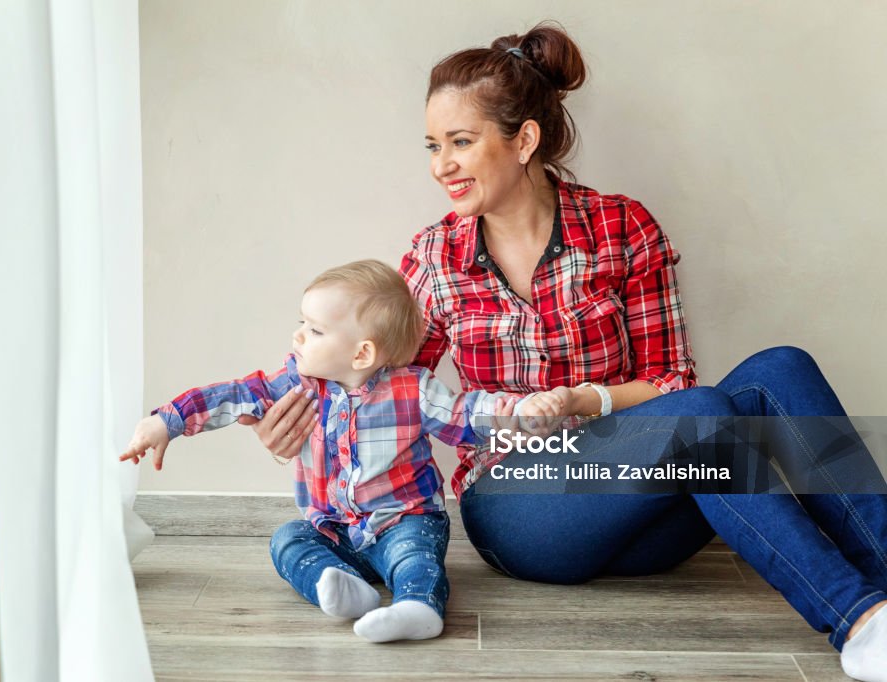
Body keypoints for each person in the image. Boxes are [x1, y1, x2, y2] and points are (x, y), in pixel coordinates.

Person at [240, 22, 887, 680]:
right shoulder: (436, 259)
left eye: (461, 142)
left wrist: (588, 400)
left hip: (641, 505)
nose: (442, 165)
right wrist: (296, 418)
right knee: (703, 420)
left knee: (780, 370)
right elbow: (378, 380)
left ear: (523, 140)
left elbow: (672, 381)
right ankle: (859, 620)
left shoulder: (620, 226)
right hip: (522, 505)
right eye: (434, 145)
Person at [121, 259, 557, 643]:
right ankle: (345, 590)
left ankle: (418, 608)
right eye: (302, 323)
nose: (298, 336)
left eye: (314, 330)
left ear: (362, 352)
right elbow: (234, 394)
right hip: (333, 529)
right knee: (287, 540)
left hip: (402, 521)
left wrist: (518, 414)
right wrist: (168, 421)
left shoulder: (414, 390)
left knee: (415, 556)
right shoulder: (299, 384)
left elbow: (467, 414)